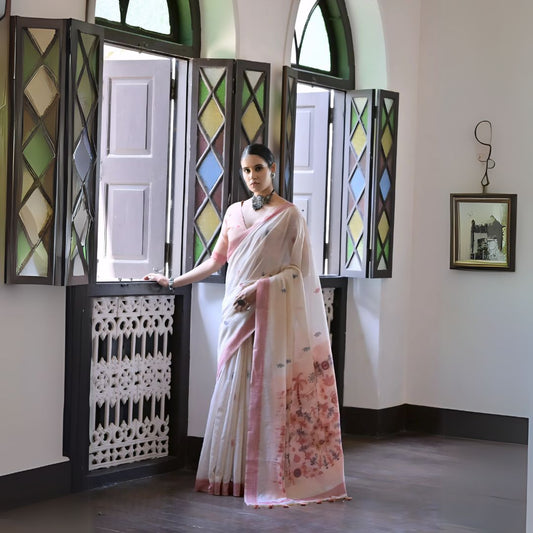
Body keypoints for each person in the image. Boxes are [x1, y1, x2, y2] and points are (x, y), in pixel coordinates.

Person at [145, 143, 348, 507]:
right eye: (245, 171)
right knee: (232, 387)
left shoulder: (289, 216)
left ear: (272, 168)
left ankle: (263, 474)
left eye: (258, 169)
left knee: (263, 387)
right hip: (234, 313)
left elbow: (298, 272)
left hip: (266, 312)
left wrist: (259, 291)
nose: (251, 177)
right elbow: (215, 262)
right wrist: (173, 281)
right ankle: (231, 475)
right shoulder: (235, 213)